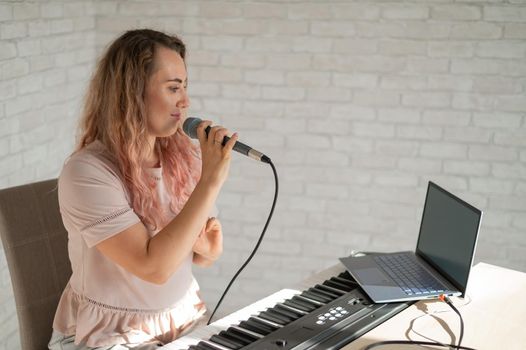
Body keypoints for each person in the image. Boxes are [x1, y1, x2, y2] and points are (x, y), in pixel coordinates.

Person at [49, 29, 238, 349]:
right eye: (173, 88)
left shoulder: (184, 158)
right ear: (132, 92)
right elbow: (156, 267)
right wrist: (210, 182)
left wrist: (195, 242)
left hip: (182, 319)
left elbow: (207, 254)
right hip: (109, 335)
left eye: (185, 87)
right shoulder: (86, 172)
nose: (185, 101)